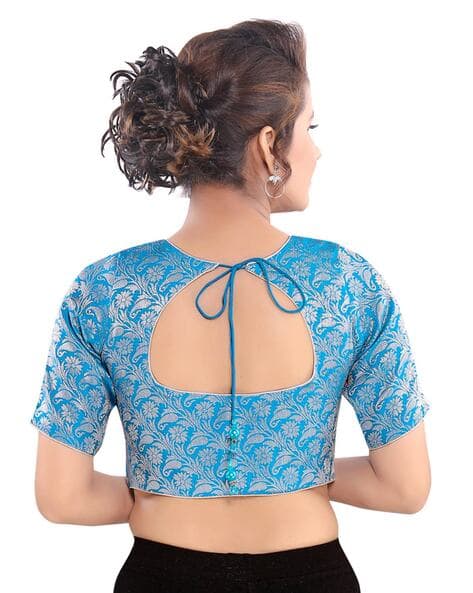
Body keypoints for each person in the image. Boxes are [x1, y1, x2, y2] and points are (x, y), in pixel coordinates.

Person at [30, 18, 431, 593]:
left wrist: (170, 486)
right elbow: (404, 489)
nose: (317, 150)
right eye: (309, 128)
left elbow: (63, 498)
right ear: (269, 144)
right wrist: (296, 475)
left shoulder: (106, 290)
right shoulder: (347, 282)